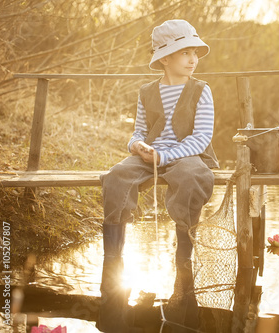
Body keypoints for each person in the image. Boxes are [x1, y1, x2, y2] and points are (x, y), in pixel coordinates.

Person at [97, 19, 218, 331]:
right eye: (185, 53)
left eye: (195, 53)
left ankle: (184, 252)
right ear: (165, 58)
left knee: (192, 177)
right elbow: (138, 130)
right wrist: (137, 145)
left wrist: (164, 155)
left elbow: (201, 137)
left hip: (188, 154)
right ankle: (113, 254)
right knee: (117, 175)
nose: (193, 59)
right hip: (148, 152)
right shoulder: (147, 91)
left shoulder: (201, 91)